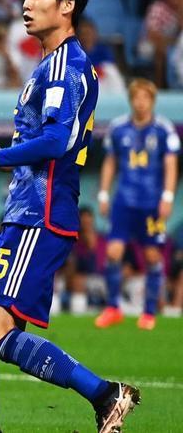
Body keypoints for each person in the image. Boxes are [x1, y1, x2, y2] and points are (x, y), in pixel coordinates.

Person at [0, 0, 140, 433]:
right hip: (23, 213)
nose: (26, 4)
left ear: (67, 5)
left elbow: (57, 143)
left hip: (43, 214)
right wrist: (6, 151)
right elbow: (46, 139)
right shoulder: (49, 66)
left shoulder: (68, 67)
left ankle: (104, 394)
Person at [95, 78, 177, 331]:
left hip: (152, 203)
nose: (140, 103)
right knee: (113, 252)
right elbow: (110, 163)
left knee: (152, 255)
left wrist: (167, 196)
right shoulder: (118, 129)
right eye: (136, 98)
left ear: (152, 100)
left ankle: (149, 312)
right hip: (124, 201)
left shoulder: (164, 130)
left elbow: (170, 165)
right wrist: (104, 194)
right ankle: (113, 308)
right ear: (131, 100)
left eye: (145, 98)